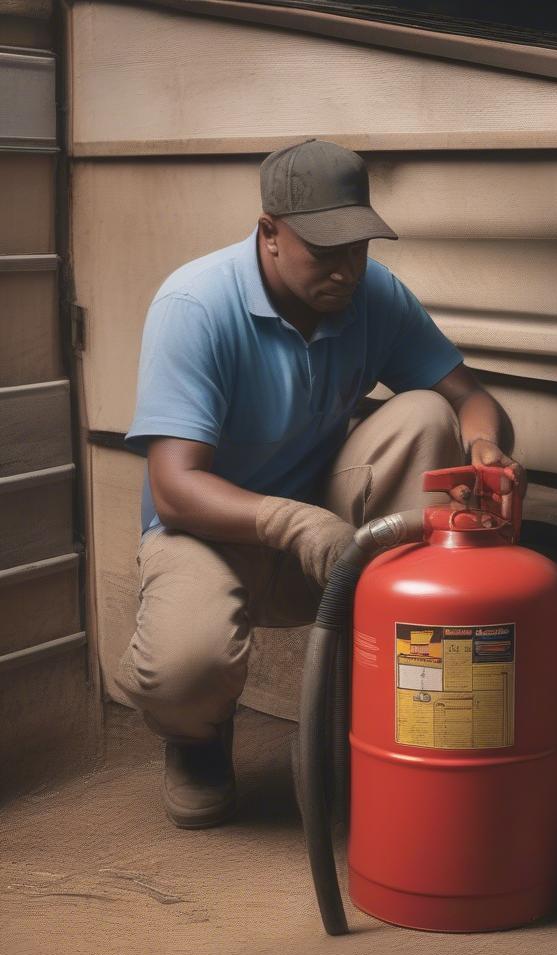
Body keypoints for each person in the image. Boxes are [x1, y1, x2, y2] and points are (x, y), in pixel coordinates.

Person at [113, 139, 523, 829]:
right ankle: (196, 740)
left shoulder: (374, 293)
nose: (346, 269)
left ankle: (392, 707)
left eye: (358, 246)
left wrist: (485, 449)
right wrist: (296, 524)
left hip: (325, 513)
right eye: (324, 250)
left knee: (426, 413)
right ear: (269, 234)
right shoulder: (195, 305)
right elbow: (177, 487)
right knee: (182, 670)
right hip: (211, 531)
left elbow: (471, 399)